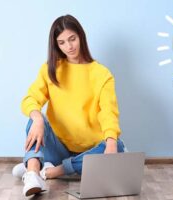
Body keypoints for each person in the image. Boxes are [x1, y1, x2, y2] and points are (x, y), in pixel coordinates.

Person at [12, 14, 126, 197]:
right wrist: (37, 118)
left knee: (118, 146)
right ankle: (33, 174)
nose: (69, 46)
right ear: (56, 44)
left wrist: (111, 143)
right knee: (35, 120)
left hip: (90, 148)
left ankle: (51, 171)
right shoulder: (51, 68)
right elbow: (30, 98)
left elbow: (108, 112)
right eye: (62, 42)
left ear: (81, 36)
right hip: (58, 148)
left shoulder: (102, 74)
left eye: (72, 39)